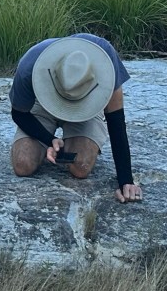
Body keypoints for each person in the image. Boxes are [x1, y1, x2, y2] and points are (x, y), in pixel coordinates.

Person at [9, 33, 143, 203]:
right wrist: (49, 139)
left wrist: (126, 181)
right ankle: (44, 145)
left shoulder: (106, 59)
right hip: (44, 100)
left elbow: (116, 121)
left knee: (80, 167)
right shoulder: (30, 64)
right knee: (23, 164)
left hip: (87, 99)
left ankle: (84, 140)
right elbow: (18, 113)